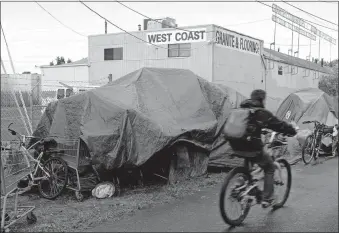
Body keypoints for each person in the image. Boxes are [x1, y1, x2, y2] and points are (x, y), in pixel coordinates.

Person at [227, 89, 297, 208]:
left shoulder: (241, 110)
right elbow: (278, 125)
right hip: (252, 148)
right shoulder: (261, 112)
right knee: (269, 167)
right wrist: (291, 130)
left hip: (235, 145)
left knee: (248, 167)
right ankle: (267, 199)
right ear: (261, 99)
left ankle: (240, 185)